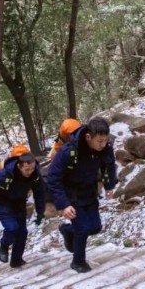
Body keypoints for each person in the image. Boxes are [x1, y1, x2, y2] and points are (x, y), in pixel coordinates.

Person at [47, 117, 118, 273]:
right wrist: (63, 204)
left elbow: (110, 164)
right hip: (71, 195)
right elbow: (52, 178)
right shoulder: (69, 151)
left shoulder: (105, 147)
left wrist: (109, 185)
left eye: (105, 140)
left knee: (95, 227)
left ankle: (67, 230)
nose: (103, 144)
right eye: (99, 141)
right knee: (83, 228)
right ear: (88, 137)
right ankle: (78, 262)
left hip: (89, 191)